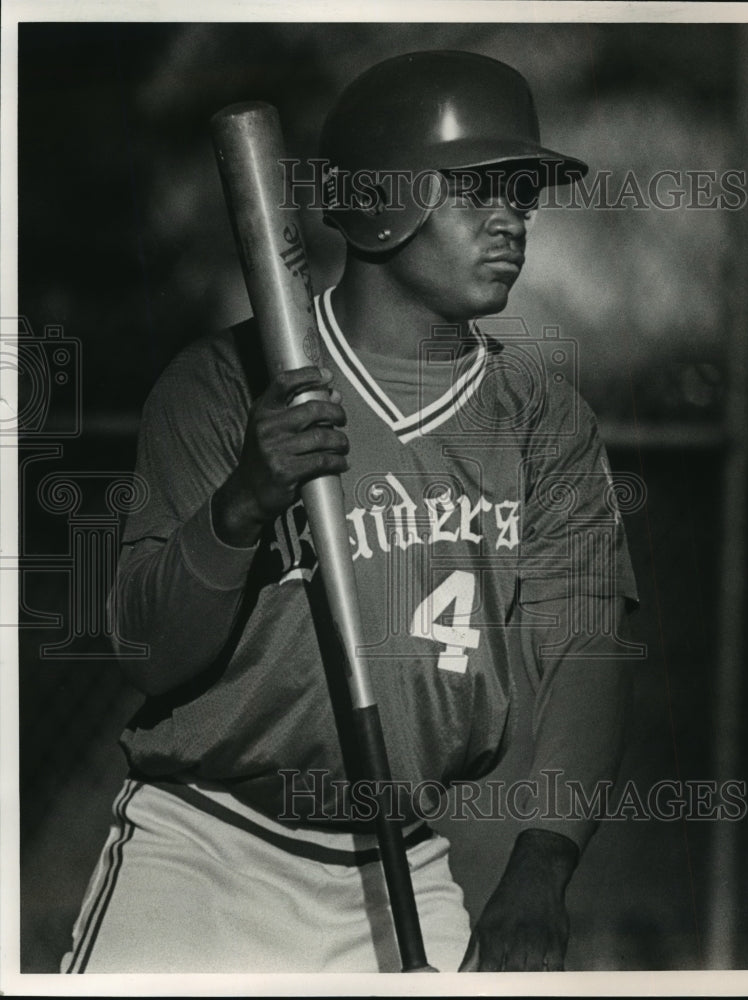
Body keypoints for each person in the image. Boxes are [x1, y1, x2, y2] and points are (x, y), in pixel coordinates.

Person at [62, 49, 638, 974]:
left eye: (524, 193)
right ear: (382, 198)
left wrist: (542, 860)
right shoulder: (224, 387)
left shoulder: (544, 420)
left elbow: (586, 653)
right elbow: (146, 654)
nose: (513, 221)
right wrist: (243, 502)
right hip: (205, 845)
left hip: (399, 857)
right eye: (478, 191)